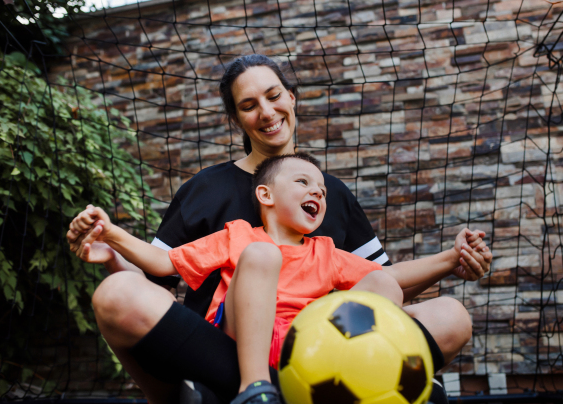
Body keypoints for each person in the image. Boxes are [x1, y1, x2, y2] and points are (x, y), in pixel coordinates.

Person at [67, 54, 492, 404]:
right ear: (236, 119)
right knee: (115, 295)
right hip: (222, 351)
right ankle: (216, 392)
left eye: (274, 96)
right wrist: (112, 246)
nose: (267, 112)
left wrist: (452, 260)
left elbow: (381, 283)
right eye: (249, 105)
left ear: (291, 98)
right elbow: (156, 275)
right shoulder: (208, 194)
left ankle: (379, 379)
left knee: (451, 316)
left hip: (318, 349)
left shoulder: (331, 198)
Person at [73, 153, 412, 404]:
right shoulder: (239, 236)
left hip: (304, 347)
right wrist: (112, 234)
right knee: (263, 256)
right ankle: (255, 389)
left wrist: (451, 259)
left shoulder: (325, 251)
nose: (319, 193)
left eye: (323, 190)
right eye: (304, 183)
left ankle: (385, 385)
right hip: (238, 339)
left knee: (386, 286)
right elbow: (164, 262)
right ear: (266, 195)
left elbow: (388, 276)